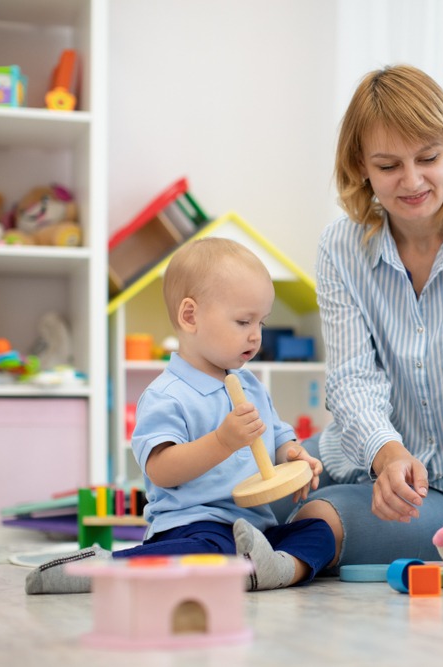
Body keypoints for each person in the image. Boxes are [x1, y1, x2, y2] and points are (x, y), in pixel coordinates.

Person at [284, 64, 443, 568]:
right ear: (360, 165)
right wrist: (388, 454)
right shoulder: (340, 247)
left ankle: (276, 558)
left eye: (428, 158)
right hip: (354, 457)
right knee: (232, 493)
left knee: (322, 518)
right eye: (388, 166)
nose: (413, 180)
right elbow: (352, 379)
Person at [26, 237, 335, 594]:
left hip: (256, 528)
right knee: (209, 553)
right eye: (243, 321)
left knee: (319, 531)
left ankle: (275, 569)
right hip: (195, 524)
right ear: (190, 316)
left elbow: (277, 436)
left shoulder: (249, 383)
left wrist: (292, 454)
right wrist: (222, 441)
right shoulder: (166, 395)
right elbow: (161, 469)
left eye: (261, 323)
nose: (256, 336)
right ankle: (104, 568)